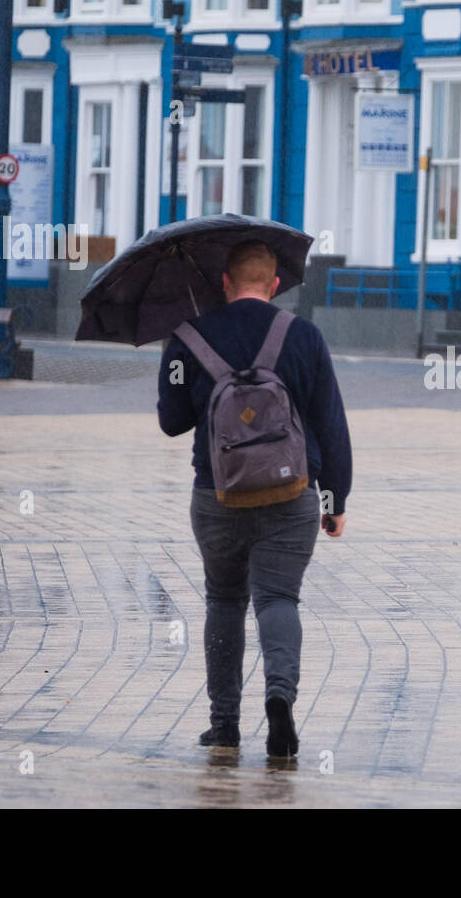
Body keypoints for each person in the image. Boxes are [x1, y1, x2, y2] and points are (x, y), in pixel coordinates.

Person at [157, 240, 352, 756]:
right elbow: (331, 424)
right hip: (291, 494)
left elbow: (171, 422)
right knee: (277, 598)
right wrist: (335, 499)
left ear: (224, 283)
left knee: (224, 600)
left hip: (216, 494)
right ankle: (280, 696)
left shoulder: (186, 338)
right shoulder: (304, 336)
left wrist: (180, 360)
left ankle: (224, 725)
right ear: (273, 285)